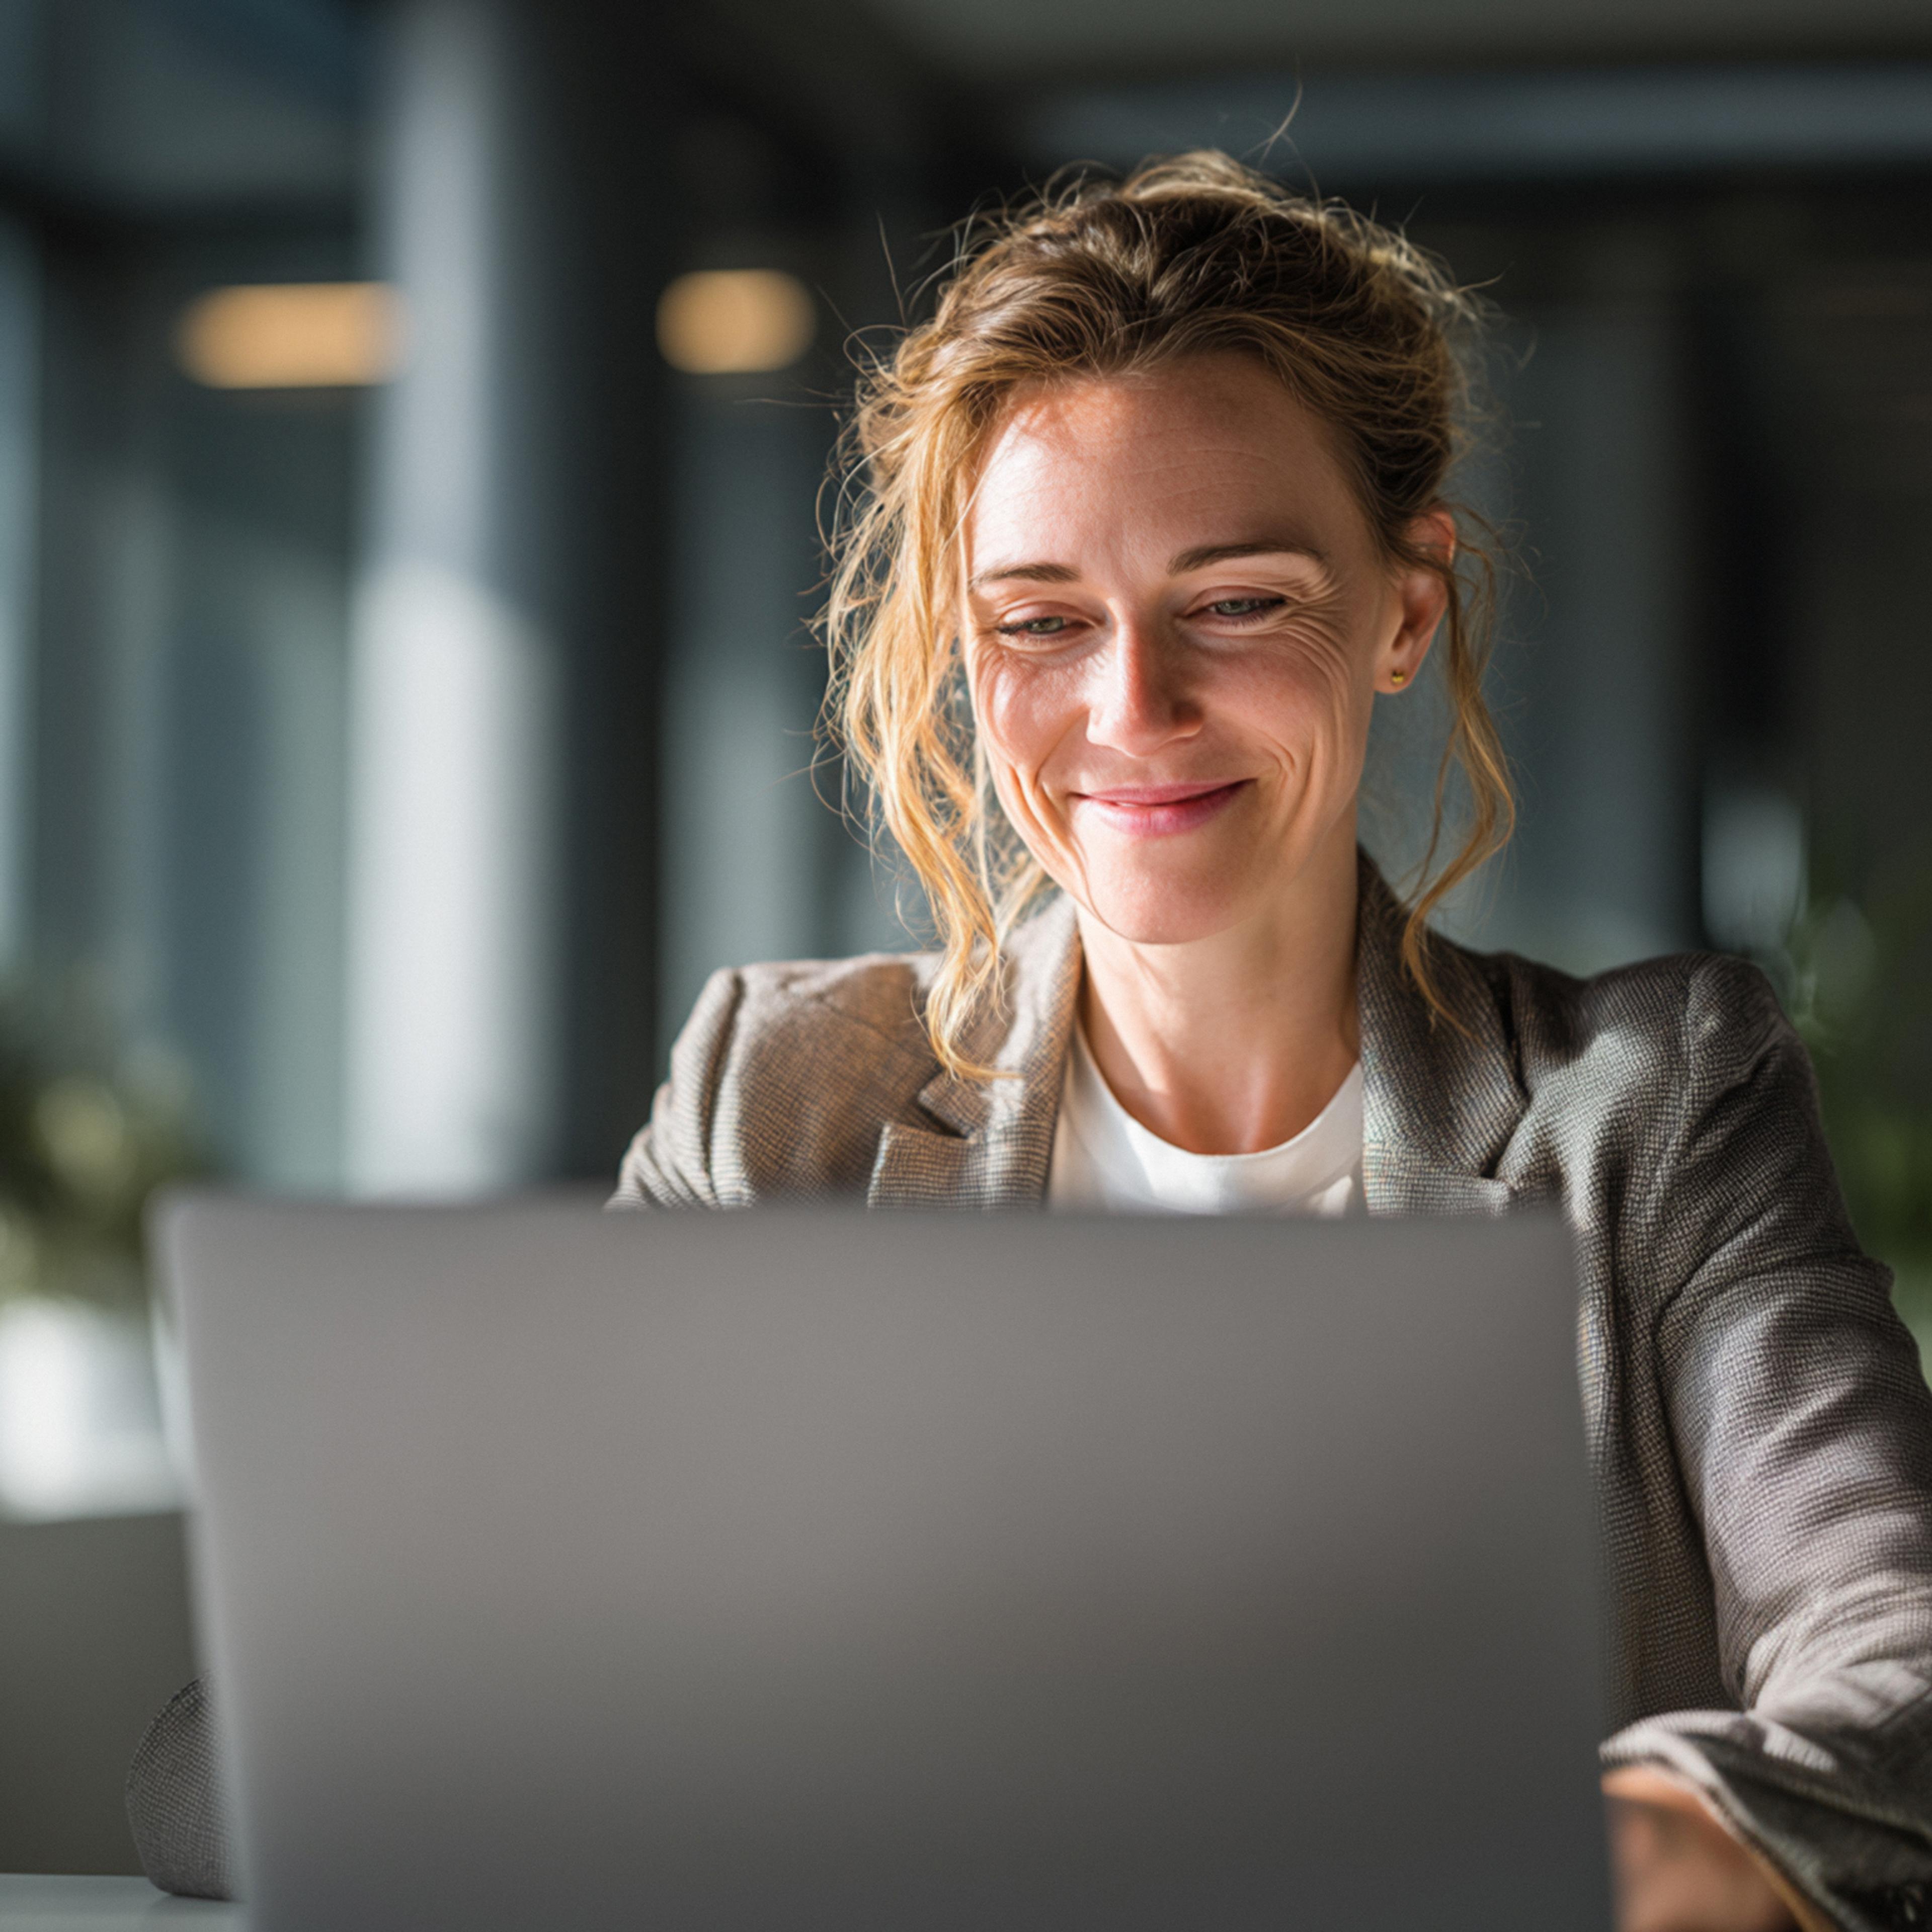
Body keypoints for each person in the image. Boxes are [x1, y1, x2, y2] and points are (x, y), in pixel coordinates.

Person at [129, 154, 1932, 1932]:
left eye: (1236, 601)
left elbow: (1898, 1654)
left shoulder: (1653, 1103)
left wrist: (1628, 1845)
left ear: (1404, 609)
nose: (1129, 708)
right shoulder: (781, 1102)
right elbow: (251, 1769)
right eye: (1042, 623)